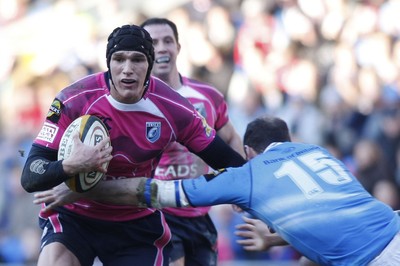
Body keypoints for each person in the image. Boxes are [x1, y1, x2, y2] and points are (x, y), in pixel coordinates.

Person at [34, 115, 400, 265]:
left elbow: (152, 191)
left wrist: (83, 188)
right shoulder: (317, 152)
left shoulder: (248, 173)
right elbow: (337, 214)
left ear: (248, 153)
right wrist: (278, 239)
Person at [20, 24, 246, 266]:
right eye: (119, 59)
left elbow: (229, 162)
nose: (127, 70)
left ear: (149, 65)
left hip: (135, 218)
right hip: (75, 215)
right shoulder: (75, 99)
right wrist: (70, 165)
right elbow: (30, 175)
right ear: (109, 63)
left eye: (137, 60)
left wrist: (254, 189)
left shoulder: (174, 108)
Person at [140, 17, 245, 266]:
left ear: (178, 47)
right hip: (159, 211)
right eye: (153, 43)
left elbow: (230, 136)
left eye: (168, 41)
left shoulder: (207, 96)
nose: (162, 48)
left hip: (200, 209)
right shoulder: (136, 103)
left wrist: (240, 186)